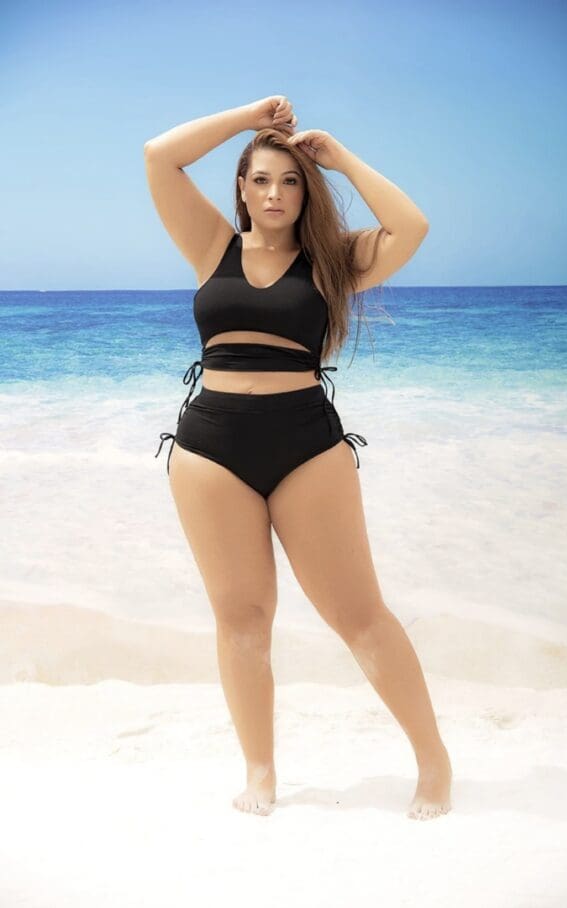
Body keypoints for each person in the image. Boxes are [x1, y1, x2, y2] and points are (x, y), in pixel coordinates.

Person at [144, 96, 452, 820]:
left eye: (289, 181)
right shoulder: (211, 246)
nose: (275, 194)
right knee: (242, 619)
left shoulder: (333, 263)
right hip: (210, 447)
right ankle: (260, 772)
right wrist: (250, 118)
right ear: (243, 189)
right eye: (260, 180)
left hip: (305, 445)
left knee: (359, 614)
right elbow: (160, 155)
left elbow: (412, 227)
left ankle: (433, 761)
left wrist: (338, 157)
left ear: (305, 191)